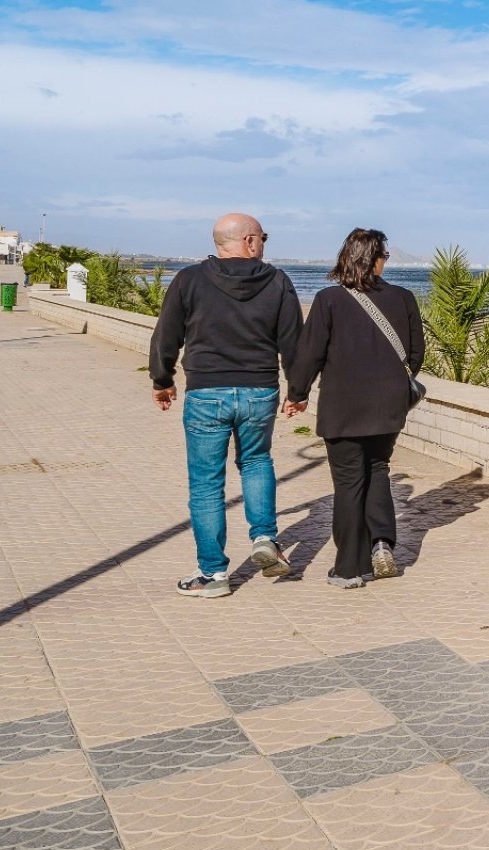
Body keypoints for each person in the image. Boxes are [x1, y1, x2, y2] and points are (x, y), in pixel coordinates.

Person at [151, 213, 302, 597]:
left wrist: (162, 380)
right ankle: (264, 537)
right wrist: (297, 391)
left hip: (206, 393)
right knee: (256, 461)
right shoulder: (278, 281)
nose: (264, 243)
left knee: (206, 484)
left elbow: (166, 334)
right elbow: (292, 341)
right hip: (259, 392)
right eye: (263, 237)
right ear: (249, 241)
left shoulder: (189, 280)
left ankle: (213, 574)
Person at [285, 228, 424, 589]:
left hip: (343, 408)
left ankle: (349, 568)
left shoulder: (329, 300)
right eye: (384, 256)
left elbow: (309, 353)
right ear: (373, 259)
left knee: (348, 483)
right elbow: (415, 354)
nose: (385, 261)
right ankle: (382, 543)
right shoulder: (404, 298)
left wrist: (297, 393)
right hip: (388, 407)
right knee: (377, 469)